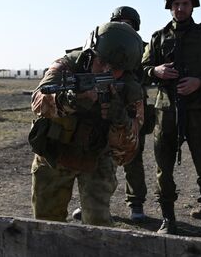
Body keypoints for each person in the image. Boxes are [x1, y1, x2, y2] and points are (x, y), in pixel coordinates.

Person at [29, 22, 145, 226]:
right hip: (55, 151)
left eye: (115, 68)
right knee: (46, 224)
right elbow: (38, 102)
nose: (106, 70)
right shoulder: (67, 65)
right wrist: (68, 101)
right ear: (91, 53)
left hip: (97, 156)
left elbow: (127, 151)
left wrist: (120, 120)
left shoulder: (130, 89)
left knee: (98, 227)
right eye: (102, 62)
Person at [141, 0, 201, 237]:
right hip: (167, 112)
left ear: (193, 5)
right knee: (163, 168)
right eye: (176, 4)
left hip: (200, 111)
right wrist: (156, 71)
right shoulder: (158, 38)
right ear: (170, 7)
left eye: (185, 4)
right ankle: (168, 220)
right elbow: (140, 71)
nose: (180, 8)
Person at [72, 6, 155, 222]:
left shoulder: (141, 50)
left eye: (128, 23)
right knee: (102, 159)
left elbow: (148, 70)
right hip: (103, 109)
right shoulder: (103, 49)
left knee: (132, 158)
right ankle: (94, 205)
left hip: (130, 109)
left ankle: (136, 203)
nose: (124, 27)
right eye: (120, 22)